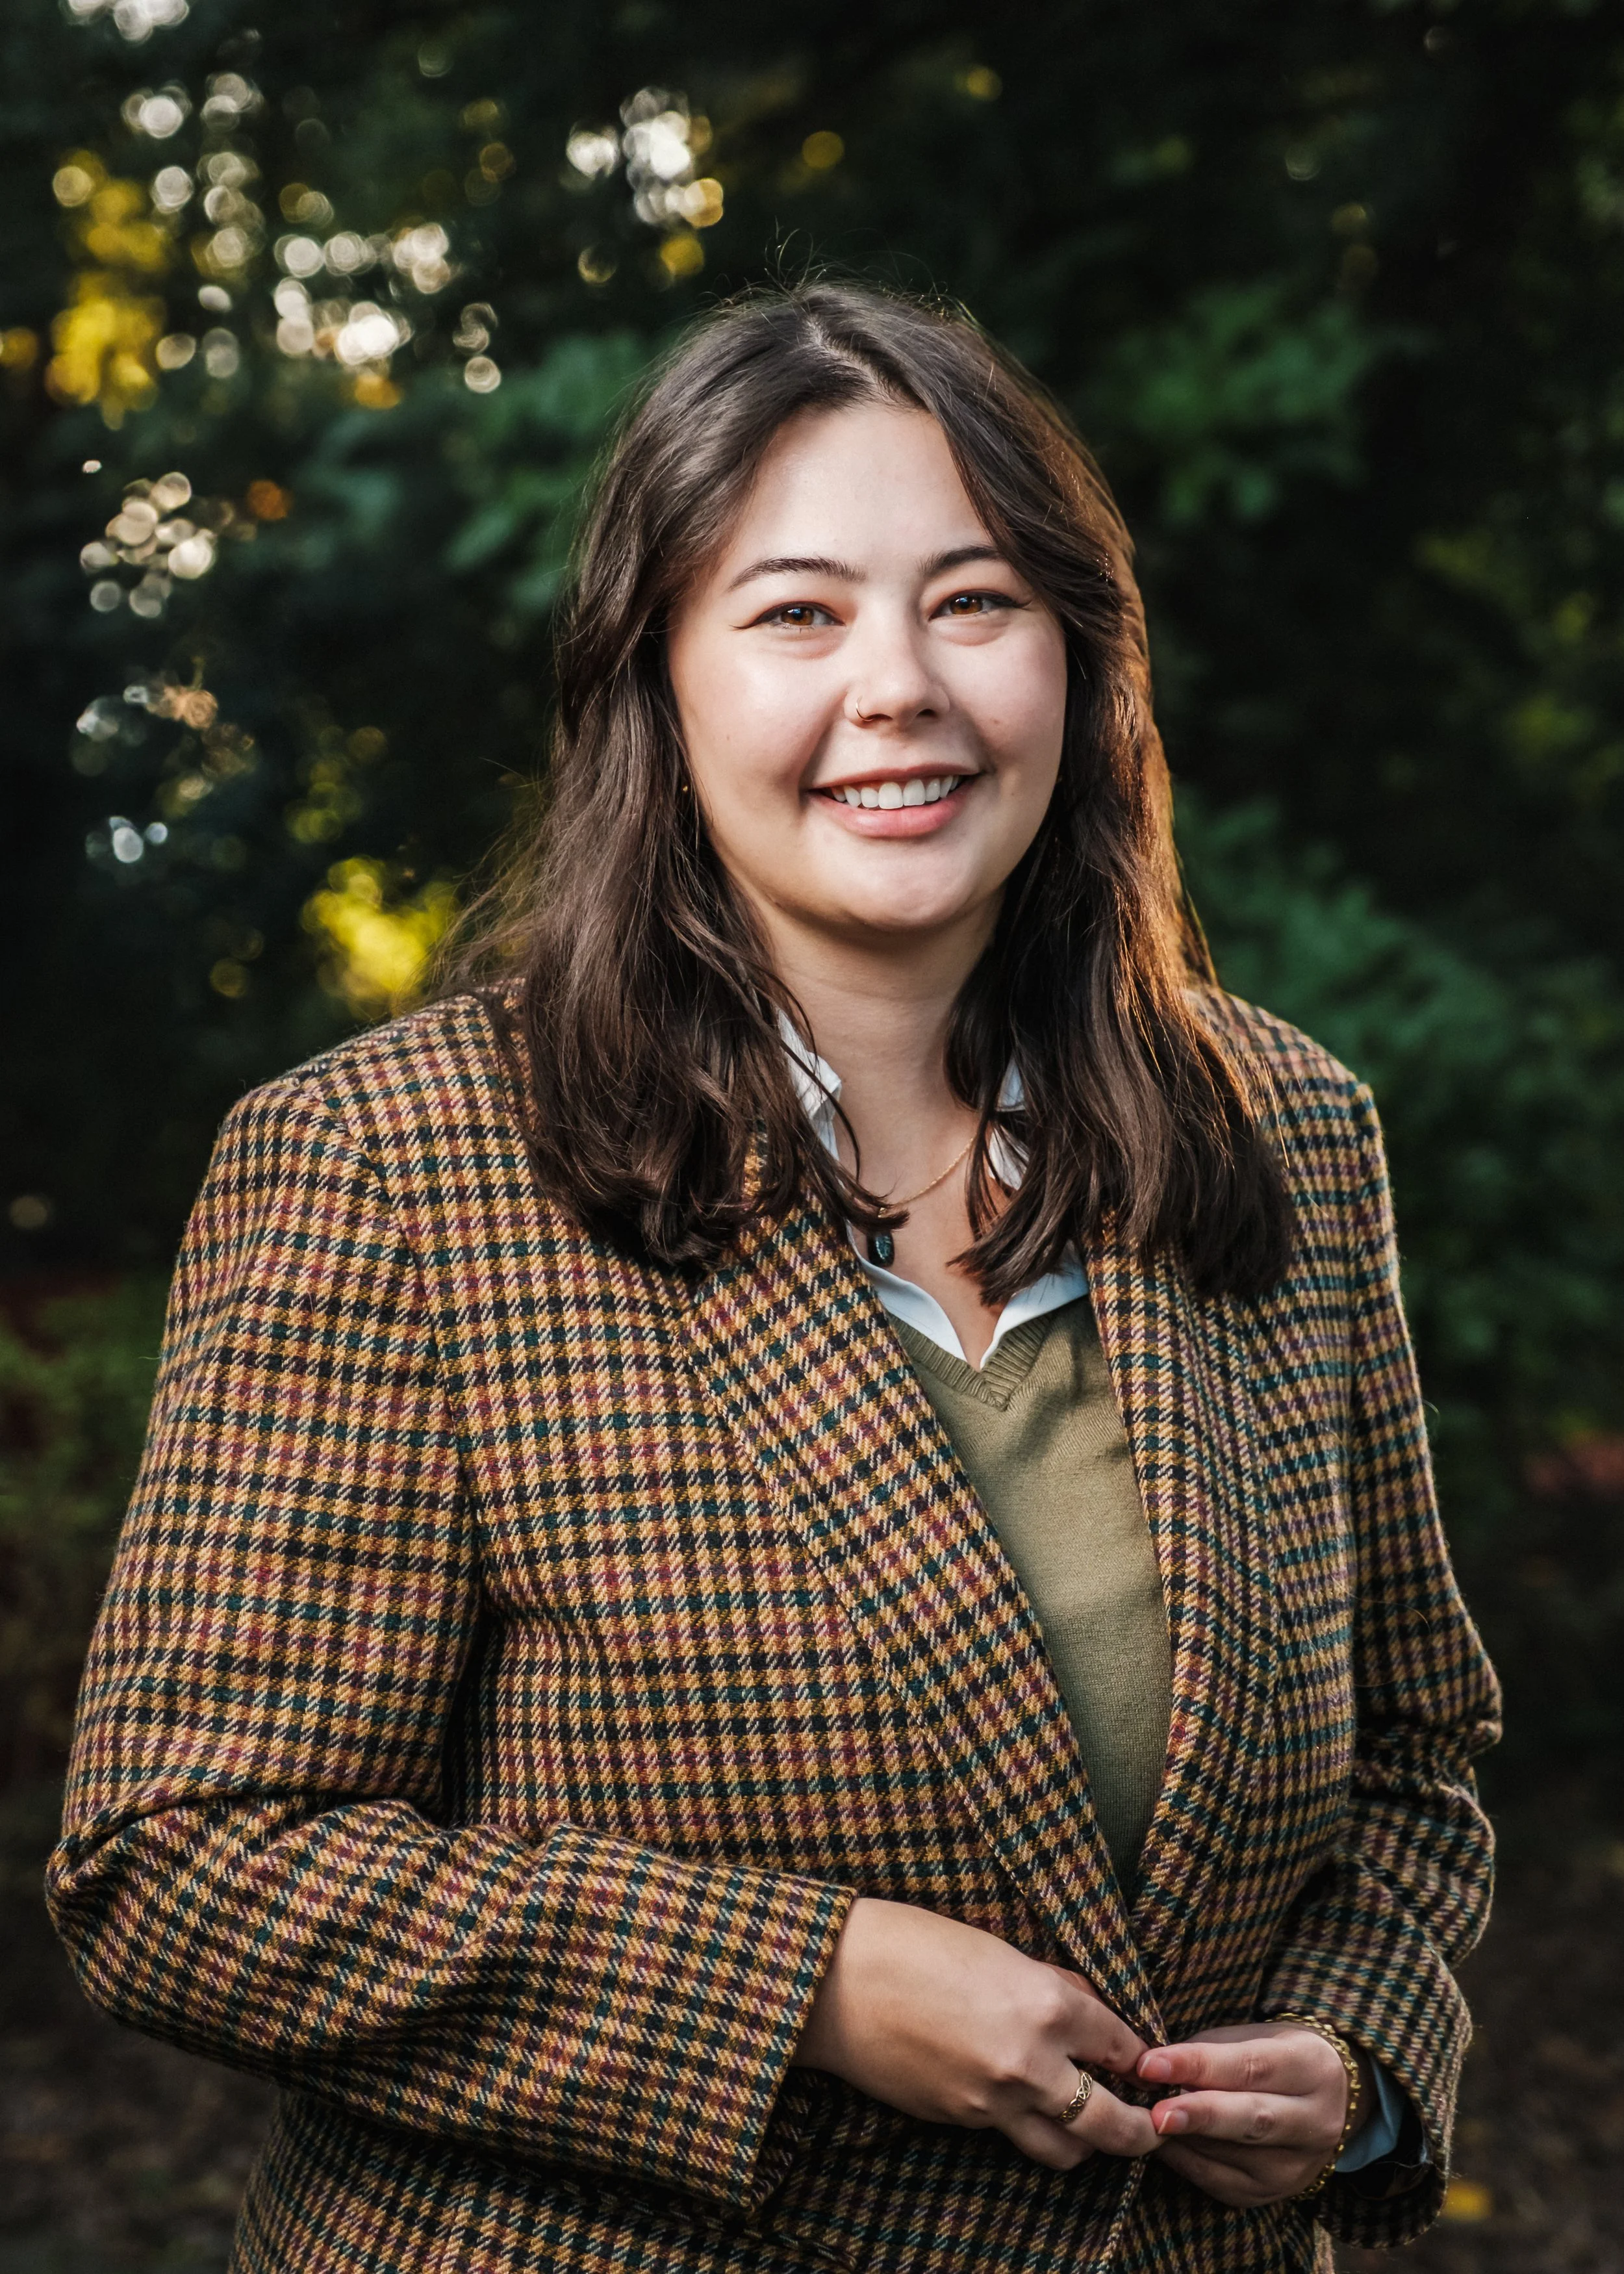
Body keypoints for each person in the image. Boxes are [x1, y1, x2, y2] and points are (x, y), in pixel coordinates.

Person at [48, 281, 1500, 2274]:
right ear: (654, 677)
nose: (896, 683)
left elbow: (1415, 1758)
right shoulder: (395, 1166)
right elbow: (181, 1865)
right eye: (797, 612)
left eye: (972, 600)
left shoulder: (1282, 1133)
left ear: (1078, 658)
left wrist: (1356, 2058)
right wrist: (801, 1980)